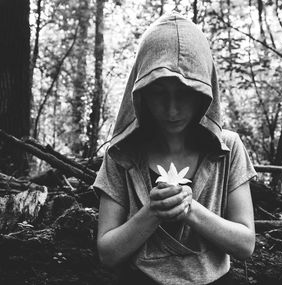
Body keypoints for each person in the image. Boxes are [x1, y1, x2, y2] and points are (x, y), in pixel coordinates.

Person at [93, 11, 257, 285]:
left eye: (183, 94)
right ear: (142, 93)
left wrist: (190, 209)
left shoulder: (228, 149)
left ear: (203, 92)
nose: (172, 110)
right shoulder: (122, 154)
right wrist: (152, 212)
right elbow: (108, 253)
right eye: (159, 93)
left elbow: (245, 244)